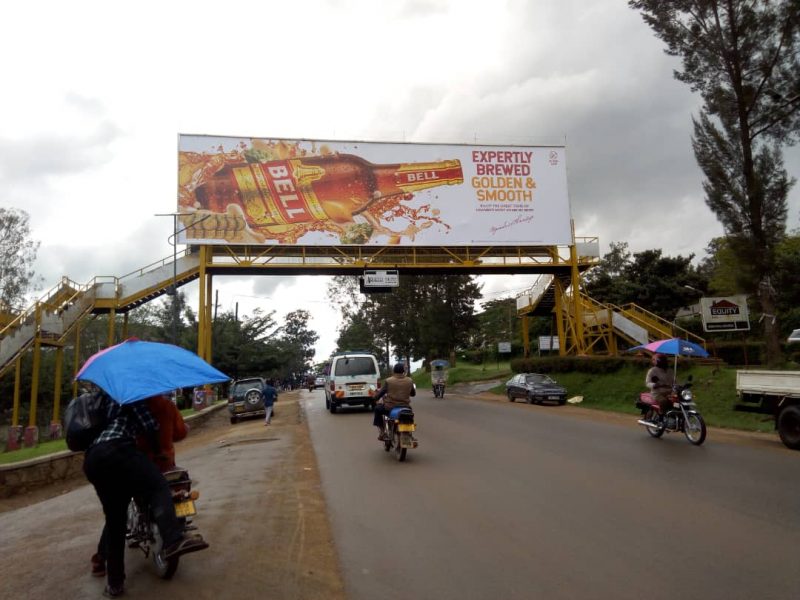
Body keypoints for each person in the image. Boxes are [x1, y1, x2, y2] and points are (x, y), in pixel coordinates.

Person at [83, 394, 208, 597]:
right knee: (158, 487)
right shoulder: (135, 397)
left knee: (115, 521)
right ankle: (173, 539)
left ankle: (114, 584)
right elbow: (150, 426)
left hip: (94, 459)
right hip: (121, 451)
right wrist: (159, 451)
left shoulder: (106, 400)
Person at [373, 363, 416, 440]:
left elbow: (381, 393)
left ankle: (382, 432)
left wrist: (375, 398)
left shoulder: (389, 381)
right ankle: (410, 434)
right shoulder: (409, 380)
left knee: (377, 409)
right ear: (403, 371)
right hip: (405, 407)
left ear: (394, 371)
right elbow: (413, 394)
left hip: (390, 407)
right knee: (409, 416)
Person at [645, 353, 675, 421]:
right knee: (664, 401)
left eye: (654, 360)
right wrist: (654, 385)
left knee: (678, 401)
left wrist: (679, 387)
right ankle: (662, 416)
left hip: (670, 392)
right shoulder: (652, 371)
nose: (653, 361)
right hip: (657, 393)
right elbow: (647, 383)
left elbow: (675, 382)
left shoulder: (670, 371)